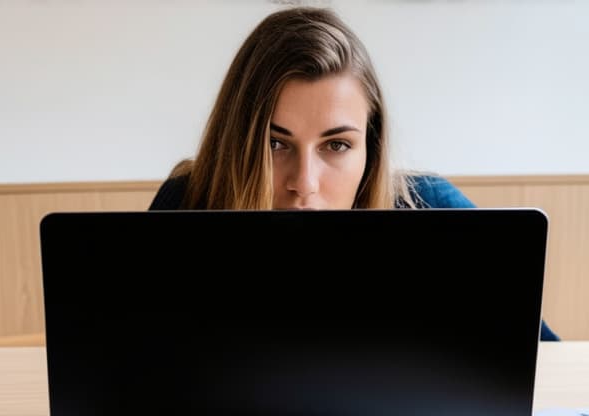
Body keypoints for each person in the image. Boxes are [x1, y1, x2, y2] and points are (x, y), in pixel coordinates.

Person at [149, 6, 559, 340]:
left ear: (371, 147)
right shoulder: (187, 203)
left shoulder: (431, 210)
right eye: (275, 144)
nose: (304, 183)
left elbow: (548, 358)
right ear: (236, 143)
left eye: (337, 145)